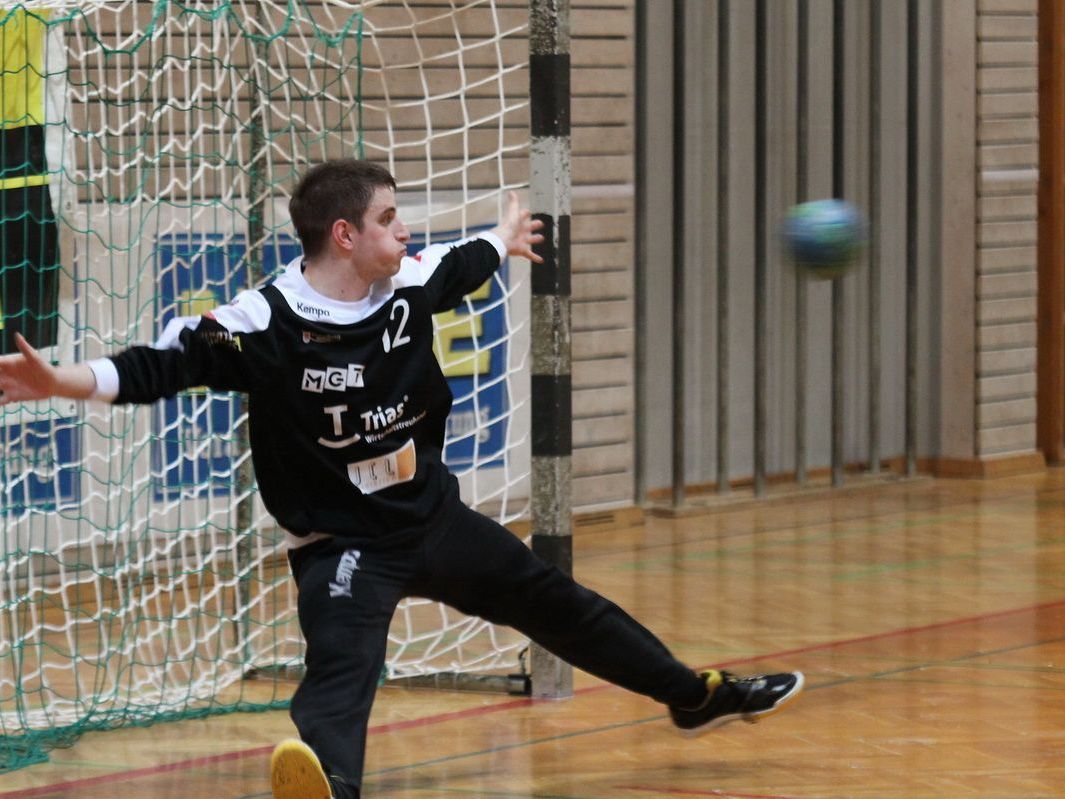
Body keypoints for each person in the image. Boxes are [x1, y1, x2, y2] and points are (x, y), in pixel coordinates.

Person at [0, 159, 803, 799]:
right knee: (344, 661)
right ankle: (329, 783)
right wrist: (62, 381)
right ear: (344, 234)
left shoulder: (408, 283)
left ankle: (691, 695)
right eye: (389, 218)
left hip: (432, 519)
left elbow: (466, 260)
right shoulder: (265, 323)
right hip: (342, 541)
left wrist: (503, 236)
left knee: (561, 603)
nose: (405, 229)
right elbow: (159, 365)